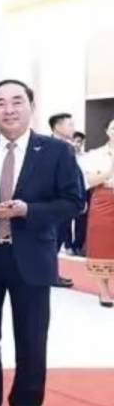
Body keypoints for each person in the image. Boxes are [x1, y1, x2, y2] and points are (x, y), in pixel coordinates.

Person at [0, 80, 84, 406]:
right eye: (0, 103)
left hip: (31, 258)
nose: (9, 109)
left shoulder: (57, 152)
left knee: (31, 338)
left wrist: (28, 210)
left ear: (31, 105)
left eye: (17, 101)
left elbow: (73, 201)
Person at [78, 117, 114, 305]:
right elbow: (87, 181)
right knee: (101, 244)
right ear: (107, 131)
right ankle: (103, 291)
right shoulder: (95, 154)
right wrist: (108, 171)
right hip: (103, 199)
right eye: (113, 128)